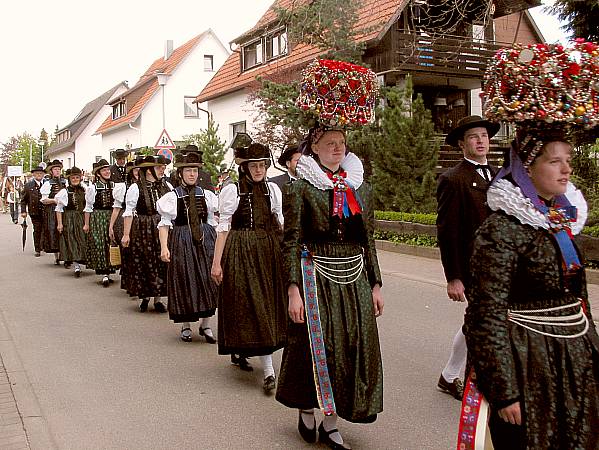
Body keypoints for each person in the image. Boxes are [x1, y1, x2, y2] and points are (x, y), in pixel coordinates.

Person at [462, 126, 599, 449]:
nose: (566, 169)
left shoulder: (561, 222)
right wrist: (505, 390)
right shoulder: (501, 230)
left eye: (568, 160)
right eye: (554, 161)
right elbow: (485, 315)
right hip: (528, 363)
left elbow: (579, 300)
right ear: (527, 168)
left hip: (574, 361)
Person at [276, 128, 384, 449]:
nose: (337, 148)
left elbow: (369, 240)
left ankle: (332, 423)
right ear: (315, 148)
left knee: (352, 347)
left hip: (354, 277)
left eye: (341, 143)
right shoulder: (301, 188)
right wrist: (293, 289)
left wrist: (376, 284)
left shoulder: (360, 187)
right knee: (315, 345)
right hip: (315, 275)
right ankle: (307, 406)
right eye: (330, 143)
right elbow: (292, 241)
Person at [210, 140, 286, 393]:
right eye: (253, 166)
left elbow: (281, 222)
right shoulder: (233, 191)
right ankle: (246, 353)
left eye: (262, 165)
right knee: (243, 302)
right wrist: (216, 263)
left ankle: (268, 369)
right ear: (245, 167)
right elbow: (223, 228)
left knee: (264, 303)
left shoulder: (273, 190)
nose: (258, 170)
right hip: (240, 249)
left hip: (267, 251)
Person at [435, 115, 499, 401]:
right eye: (474, 136)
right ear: (462, 144)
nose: (481, 141)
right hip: (474, 267)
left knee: (479, 319)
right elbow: (447, 232)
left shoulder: (501, 176)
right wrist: (454, 277)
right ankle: (476, 379)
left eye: (484, 136)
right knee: (483, 319)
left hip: (501, 265)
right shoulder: (453, 179)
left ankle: (449, 375)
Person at [157, 150, 219, 342]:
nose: (192, 174)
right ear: (180, 173)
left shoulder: (207, 195)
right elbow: (165, 224)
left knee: (208, 281)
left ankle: (206, 324)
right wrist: (164, 247)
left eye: (194, 170)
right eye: (188, 170)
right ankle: (186, 325)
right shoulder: (171, 197)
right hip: (182, 240)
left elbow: (212, 221)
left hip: (205, 239)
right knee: (186, 279)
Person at [121, 155, 172, 312]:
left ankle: (158, 299)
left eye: (163, 168)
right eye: (158, 168)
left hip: (163, 227)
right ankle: (145, 297)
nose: (162, 171)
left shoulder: (167, 186)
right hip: (143, 227)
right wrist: (126, 234)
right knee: (144, 260)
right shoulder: (135, 188)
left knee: (161, 262)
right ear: (148, 171)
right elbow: (129, 212)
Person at [84, 159, 117, 287]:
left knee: (112, 242)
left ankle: (110, 269)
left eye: (108, 169)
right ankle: (104, 272)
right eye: (104, 170)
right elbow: (88, 207)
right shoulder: (93, 187)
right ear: (98, 173)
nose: (107, 172)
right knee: (100, 243)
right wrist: (86, 224)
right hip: (98, 216)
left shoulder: (114, 185)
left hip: (112, 215)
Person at [109, 160, 139, 296]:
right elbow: (116, 208)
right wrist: (111, 226)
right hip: (125, 220)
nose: (138, 173)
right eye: (135, 170)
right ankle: (129, 283)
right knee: (127, 252)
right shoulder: (123, 187)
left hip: (141, 222)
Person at [55, 167, 87, 277]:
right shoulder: (65, 191)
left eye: (77, 177)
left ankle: (82, 261)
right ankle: (77, 266)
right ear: (69, 179)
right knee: (72, 240)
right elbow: (59, 209)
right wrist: (59, 223)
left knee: (82, 240)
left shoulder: (85, 189)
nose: (75, 179)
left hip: (82, 217)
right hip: (69, 218)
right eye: (73, 177)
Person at [40, 160, 66, 265]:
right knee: (54, 232)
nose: (57, 171)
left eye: (59, 169)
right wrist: (54, 201)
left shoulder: (65, 182)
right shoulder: (48, 183)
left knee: (65, 232)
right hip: (52, 210)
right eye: (55, 169)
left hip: (64, 210)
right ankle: (57, 256)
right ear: (51, 171)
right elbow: (43, 200)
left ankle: (66, 256)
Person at [20, 166, 46, 256]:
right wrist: (23, 211)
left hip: (46, 211)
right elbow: (23, 200)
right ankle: (37, 248)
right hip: (34, 212)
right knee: (37, 229)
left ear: (43, 174)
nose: (39, 175)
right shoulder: (28, 185)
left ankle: (43, 245)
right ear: (34, 174)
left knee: (45, 229)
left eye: (41, 173)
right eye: (37, 173)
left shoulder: (47, 184)